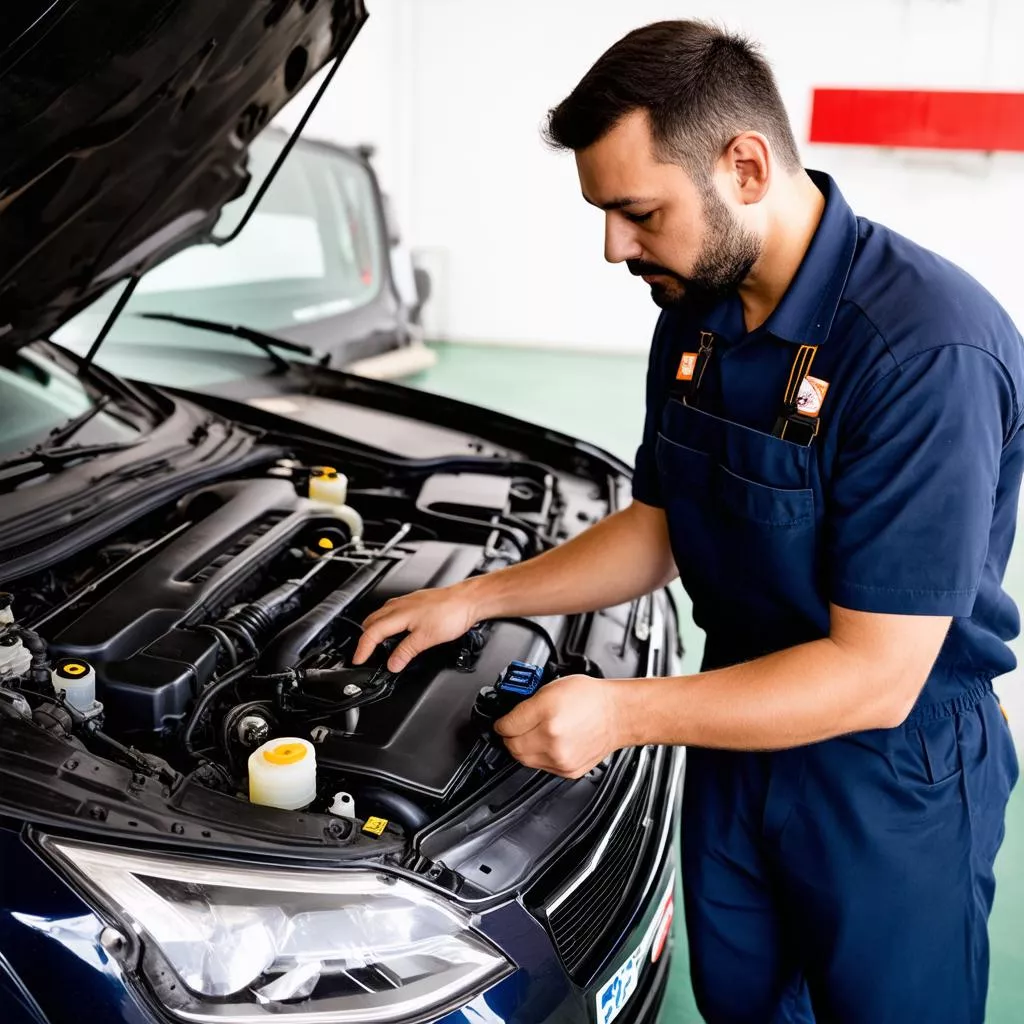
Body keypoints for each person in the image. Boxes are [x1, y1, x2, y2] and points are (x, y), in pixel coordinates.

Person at [354, 20, 1022, 1024]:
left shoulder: (923, 351)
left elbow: (876, 676)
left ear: (744, 166)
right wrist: (472, 598)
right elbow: (661, 524)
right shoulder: (696, 311)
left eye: (638, 212)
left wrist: (620, 711)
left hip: (890, 776)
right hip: (732, 727)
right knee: (744, 1005)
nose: (615, 246)